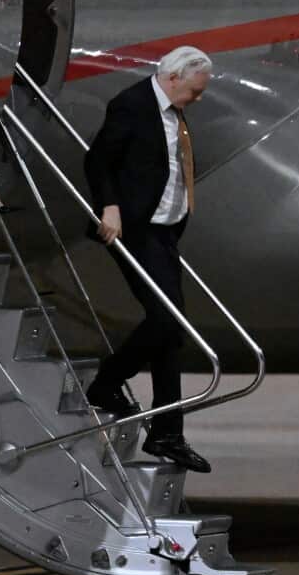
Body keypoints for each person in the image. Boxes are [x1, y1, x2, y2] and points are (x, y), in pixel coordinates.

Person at [81, 46, 212, 473]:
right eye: (194, 91)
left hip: (164, 231)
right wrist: (109, 206)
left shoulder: (173, 111)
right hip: (134, 229)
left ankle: (166, 432)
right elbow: (97, 159)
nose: (197, 99)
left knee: (170, 333)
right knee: (166, 321)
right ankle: (105, 382)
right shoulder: (132, 105)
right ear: (173, 78)